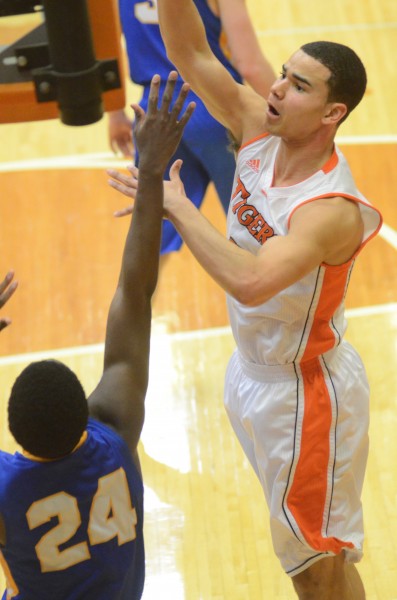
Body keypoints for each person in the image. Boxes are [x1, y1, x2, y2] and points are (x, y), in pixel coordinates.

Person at [107, 2, 383, 597]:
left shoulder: (329, 210)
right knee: (323, 558)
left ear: (333, 113)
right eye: (282, 74)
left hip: (305, 397)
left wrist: (174, 200)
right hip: (254, 375)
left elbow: (253, 280)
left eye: (299, 85)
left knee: (314, 572)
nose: (277, 88)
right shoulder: (257, 127)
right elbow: (192, 53)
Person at [0, 73, 195, 600]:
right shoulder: (115, 432)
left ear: (16, 437)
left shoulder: (5, 488)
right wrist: (150, 170)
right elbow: (135, 291)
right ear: (88, 411)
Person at [108, 0, 275, 256]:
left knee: (152, 235)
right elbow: (249, 63)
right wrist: (292, 119)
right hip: (216, 105)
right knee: (257, 228)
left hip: (154, 112)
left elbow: (106, 51)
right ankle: (275, 294)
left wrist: (115, 113)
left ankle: (137, 296)